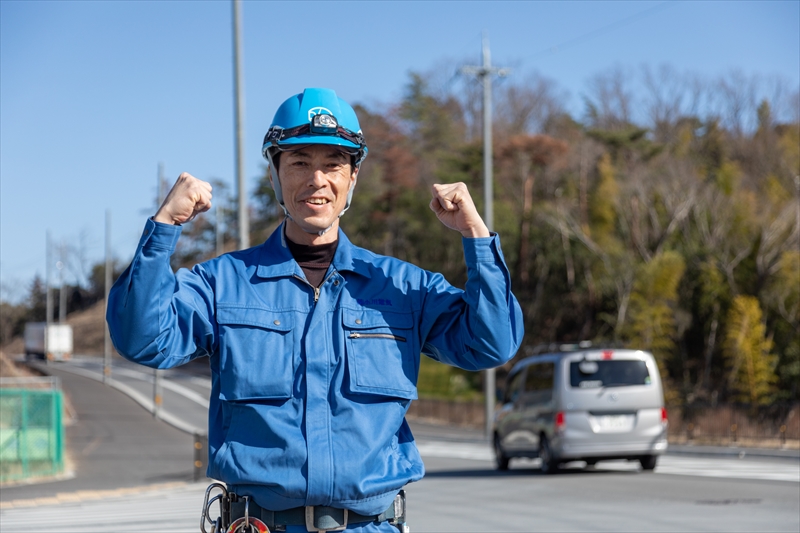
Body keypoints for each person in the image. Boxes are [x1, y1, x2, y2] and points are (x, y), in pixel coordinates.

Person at [107, 88, 523, 533]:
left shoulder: (404, 288)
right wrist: (165, 228)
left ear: (353, 177)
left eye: (333, 164)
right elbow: (143, 339)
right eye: (300, 162)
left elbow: (490, 343)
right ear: (275, 174)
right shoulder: (221, 283)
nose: (317, 179)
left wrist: (476, 238)